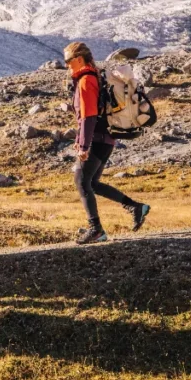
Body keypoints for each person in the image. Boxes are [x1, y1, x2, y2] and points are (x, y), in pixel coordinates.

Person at [65, 42, 150, 244]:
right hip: (106, 139)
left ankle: (96, 230)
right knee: (92, 183)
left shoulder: (86, 80)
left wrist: (84, 145)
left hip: (96, 139)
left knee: (81, 182)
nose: (66, 65)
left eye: (68, 61)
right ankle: (135, 207)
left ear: (78, 60)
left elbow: (88, 117)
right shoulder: (95, 75)